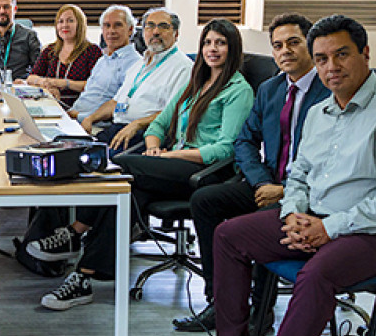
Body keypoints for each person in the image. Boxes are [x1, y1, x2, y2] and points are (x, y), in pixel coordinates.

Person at [167, 15, 376, 336]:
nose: (330, 67)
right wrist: (293, 215)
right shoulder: (321, 112)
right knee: (230, 235)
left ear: (365, 54)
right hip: (317, 219)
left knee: (317, 274)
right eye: (322, 59)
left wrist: (329, 227)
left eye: (341, 55)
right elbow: (299, 174)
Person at [33, 18, 254, 311]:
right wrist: (152, 147)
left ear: (233, 48)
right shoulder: (196, 82)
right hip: (175, 163)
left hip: (205, 172)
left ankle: (75, 231)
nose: (213, 49)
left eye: (221, 43)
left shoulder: (238, 90)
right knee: (127, 193)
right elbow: (159, 124)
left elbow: (225, 148)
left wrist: (168, 156)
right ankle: (83, 277)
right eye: (208, 43)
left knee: (120, 165)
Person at [173, 13, 329, 333]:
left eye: (293, 42)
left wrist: (286, 189)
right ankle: (220, 303)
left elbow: (335, 159)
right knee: (205, 200)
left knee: (260, 221)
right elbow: (245, 141)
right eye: (278, 46)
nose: (285, 51)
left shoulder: (329, 91)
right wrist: (261, 181)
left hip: (308, 191)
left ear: (311, 45)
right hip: (267, 180)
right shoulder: (271, 89)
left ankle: (261, 311)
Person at [81, 7, 193, 155]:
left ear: (176, 34)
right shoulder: (139, 64)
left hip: (144, 135)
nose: (155, 32)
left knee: (92, 160)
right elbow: (115, 103)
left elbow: (173, 113)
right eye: (150, 26)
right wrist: (90, 118)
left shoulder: (183, 68)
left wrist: (137, 124)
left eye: (163, 26)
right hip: (117, 128)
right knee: (74, 149)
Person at [67, 4, 141, 121]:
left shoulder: (135, 63)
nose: (111, 31)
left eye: (118, 25)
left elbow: (125, 107)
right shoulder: (103, 60)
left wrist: (83, 117)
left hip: (94, 125)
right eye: (107, 26)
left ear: (130, 30)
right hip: (73, 116)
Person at [18, 4, 102, 107]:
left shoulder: (92, 51)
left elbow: (96, 86)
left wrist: (66, 83)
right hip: (50, 105)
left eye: (70, 21)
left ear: (80, 24)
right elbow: (31, 77)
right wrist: (46, 83)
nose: (64, 25)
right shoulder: (49, 50)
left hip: (80, 108)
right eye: (60, 21)